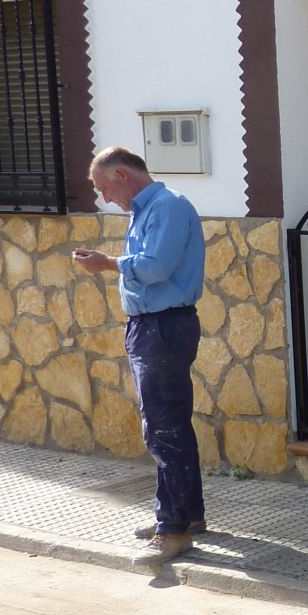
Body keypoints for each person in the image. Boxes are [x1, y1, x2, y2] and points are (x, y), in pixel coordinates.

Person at [73, 146, 207, 567]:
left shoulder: (167, 206)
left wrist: (108, 263)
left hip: (163, 327)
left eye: (105, 188)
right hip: (152, 326)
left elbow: (155, 267)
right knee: (170, 424)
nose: (105, 197)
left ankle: (173, 531)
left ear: (122, 175)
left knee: (163, 428)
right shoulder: (147, 209)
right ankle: (187, 515)